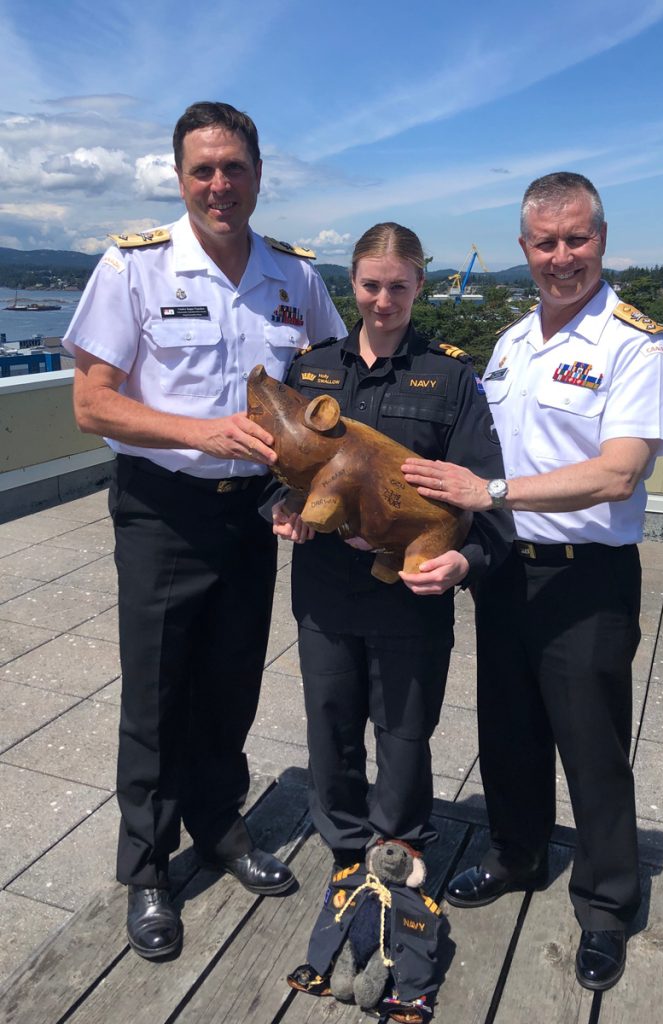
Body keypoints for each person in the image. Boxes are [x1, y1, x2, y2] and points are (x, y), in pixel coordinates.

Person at [63, 101, 345, 961]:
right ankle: (147, 868)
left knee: (230, 682)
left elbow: (332, 384)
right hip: (163, 507)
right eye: (202, 170)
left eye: (234, 168)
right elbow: (90, 402)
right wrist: (200, 431)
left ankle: (220, 827)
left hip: (255, 511)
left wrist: (308, 482)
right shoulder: (135, 268)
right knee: (156, 691)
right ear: (180, 177)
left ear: (260, 174)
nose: (219, 185)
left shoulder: (295, 277)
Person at [403, 172, 663, 992]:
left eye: (578, 238)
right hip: (503, 569)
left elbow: (617, 474)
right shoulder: (512, 343)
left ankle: (605, 904)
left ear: (603, 237)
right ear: (524, 248)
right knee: (510, 729)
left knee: (592, 747)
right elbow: (482, 454)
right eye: (545, 242)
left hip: (585, 579)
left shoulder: (637, 344)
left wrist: (488, 495)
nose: (562, 256)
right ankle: (517, 853)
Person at [271, 223, 511, 1007]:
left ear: (419, 286)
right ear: (353, 285)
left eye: (398, 285)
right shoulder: (309, 373)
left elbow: (482, 494)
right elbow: (278, 476)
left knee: (404, 728)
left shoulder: (449, 379)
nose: (382, 300)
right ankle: (346, 854)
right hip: (327, 593)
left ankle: (397, 849)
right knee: (330, 722)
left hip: (412, 599)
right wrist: (283, 510)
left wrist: (466, 561)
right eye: (370, 285)